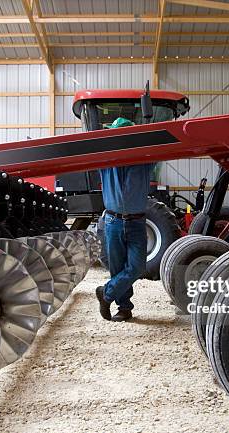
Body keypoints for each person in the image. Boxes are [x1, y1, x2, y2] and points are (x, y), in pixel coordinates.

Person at [96, 117, 153, 322]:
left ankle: (106, 293)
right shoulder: (105, 160)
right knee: (118, 268)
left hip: (136, 221)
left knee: (137, 267)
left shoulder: (145, 159)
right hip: (113, 221)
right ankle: (125, 308)